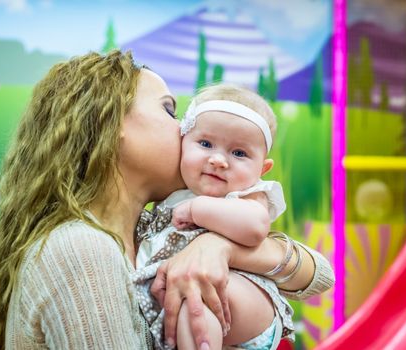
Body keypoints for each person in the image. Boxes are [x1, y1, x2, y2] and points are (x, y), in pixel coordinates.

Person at [0, 50, 333, 350]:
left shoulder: (142, 232)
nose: (185, 128)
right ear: (110, 124)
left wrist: (219, 246)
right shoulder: (83, 248)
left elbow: (321, 275)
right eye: (170, 111)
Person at [132, 84, 335, 350]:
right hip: (178, 308)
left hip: (238, 300)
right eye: (205, 144)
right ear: (182, 144)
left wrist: (196, 210)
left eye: (239, 153)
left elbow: (255, 227)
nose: (218, 160)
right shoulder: (174, 192)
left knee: (197, 304)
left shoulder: (249, 195)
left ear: (262, 169)